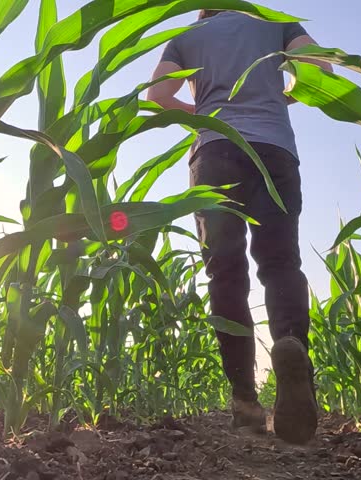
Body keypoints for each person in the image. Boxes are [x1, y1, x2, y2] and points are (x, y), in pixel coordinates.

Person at [146, 9, 333, 444]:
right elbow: (319, 69)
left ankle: (245, 400)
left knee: (225, 271)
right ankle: (291, 347)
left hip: (215, 150)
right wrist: (288, 94)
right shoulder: (276, 23)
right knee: (281, 261)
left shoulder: (189, 35)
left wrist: (202, 109)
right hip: (274, 150)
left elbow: (157, 94)